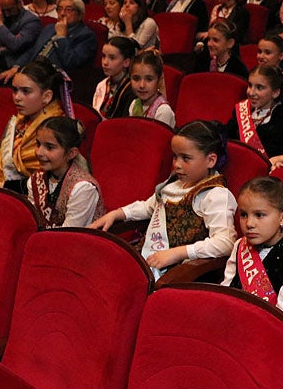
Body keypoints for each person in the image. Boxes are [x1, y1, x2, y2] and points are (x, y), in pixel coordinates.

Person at [90, 120, 237, 280]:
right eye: (175, 156)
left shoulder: (215, 194)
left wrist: (177, 253)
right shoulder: (174, 183)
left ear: (210, 160)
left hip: (180, 273)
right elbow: (149, 207)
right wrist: (117, 214)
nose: (177, 165)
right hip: (150, 259)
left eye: (186, 158)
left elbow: (225, 242)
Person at [0, 59, 67, 193]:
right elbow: (1, 155)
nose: (17, 97)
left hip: (31, 203)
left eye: (25, 91)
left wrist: (2, 186)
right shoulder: (20, 120)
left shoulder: (57, 130)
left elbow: (49, 183)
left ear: (47, 96)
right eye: (15, 90)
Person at [221, 176, 283, 314]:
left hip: (274, 330)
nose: (249, 224)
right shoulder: (240, 245)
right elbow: (225, 292)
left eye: (259, 215)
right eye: (244, 214)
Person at [26, 116, 105, 228]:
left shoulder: (83, 188)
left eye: (49, 147)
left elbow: (68, 236)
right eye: (38, 144)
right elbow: (31, 221)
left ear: (71, 153)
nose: (39, 152)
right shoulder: (36, 179)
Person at [0, 0, 96, 83]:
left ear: (79, 15)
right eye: (60, 9)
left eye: (68, 10)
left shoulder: (86, 36)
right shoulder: (50, 28)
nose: (62, 13)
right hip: (32, 69)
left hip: (52, 77)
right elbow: (33, 50)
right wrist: (16, 67)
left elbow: (71, 63)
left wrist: (61, 37)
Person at [226, 63, 283, 164]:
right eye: (250, 85)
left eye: (259, 87)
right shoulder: (241, 111)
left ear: (275, 92)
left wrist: (278, 159)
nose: (251, 92)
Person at [0, 0, 42, 72]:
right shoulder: (1, 15)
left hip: (16, 66)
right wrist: (7, 43)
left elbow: (16, 45)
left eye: (10, 10)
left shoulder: (31, 21)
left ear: (19, 3)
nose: (7, 14)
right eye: (3, 10)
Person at [92, 36, 138, 118]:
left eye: (112, 58)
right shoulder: (102, 85)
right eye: (103, 56)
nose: (105, 62)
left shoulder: (132, 90)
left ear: (126, 62)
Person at [128, 49, 175, 126]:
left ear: (159, 80)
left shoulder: (163, 111)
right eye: (136, 79)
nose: (142, 85)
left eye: (149, 79)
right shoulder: (134, 104)